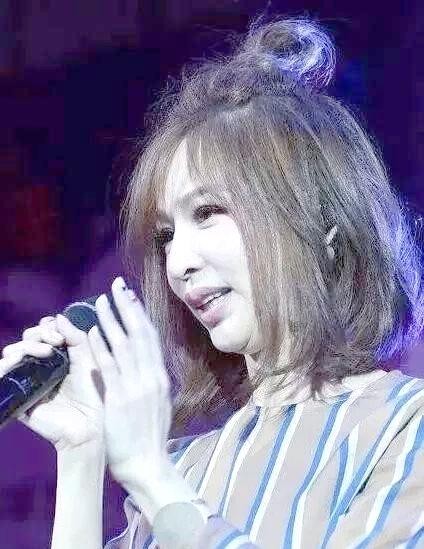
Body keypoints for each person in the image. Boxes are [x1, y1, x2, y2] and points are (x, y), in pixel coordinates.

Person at [1, 14, 424, 549]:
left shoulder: (402, 424)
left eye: (207, 212)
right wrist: (81, 454)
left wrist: (151, 478)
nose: (177, 263)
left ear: (321, 225)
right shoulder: (186, 468)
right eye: (165, 236)